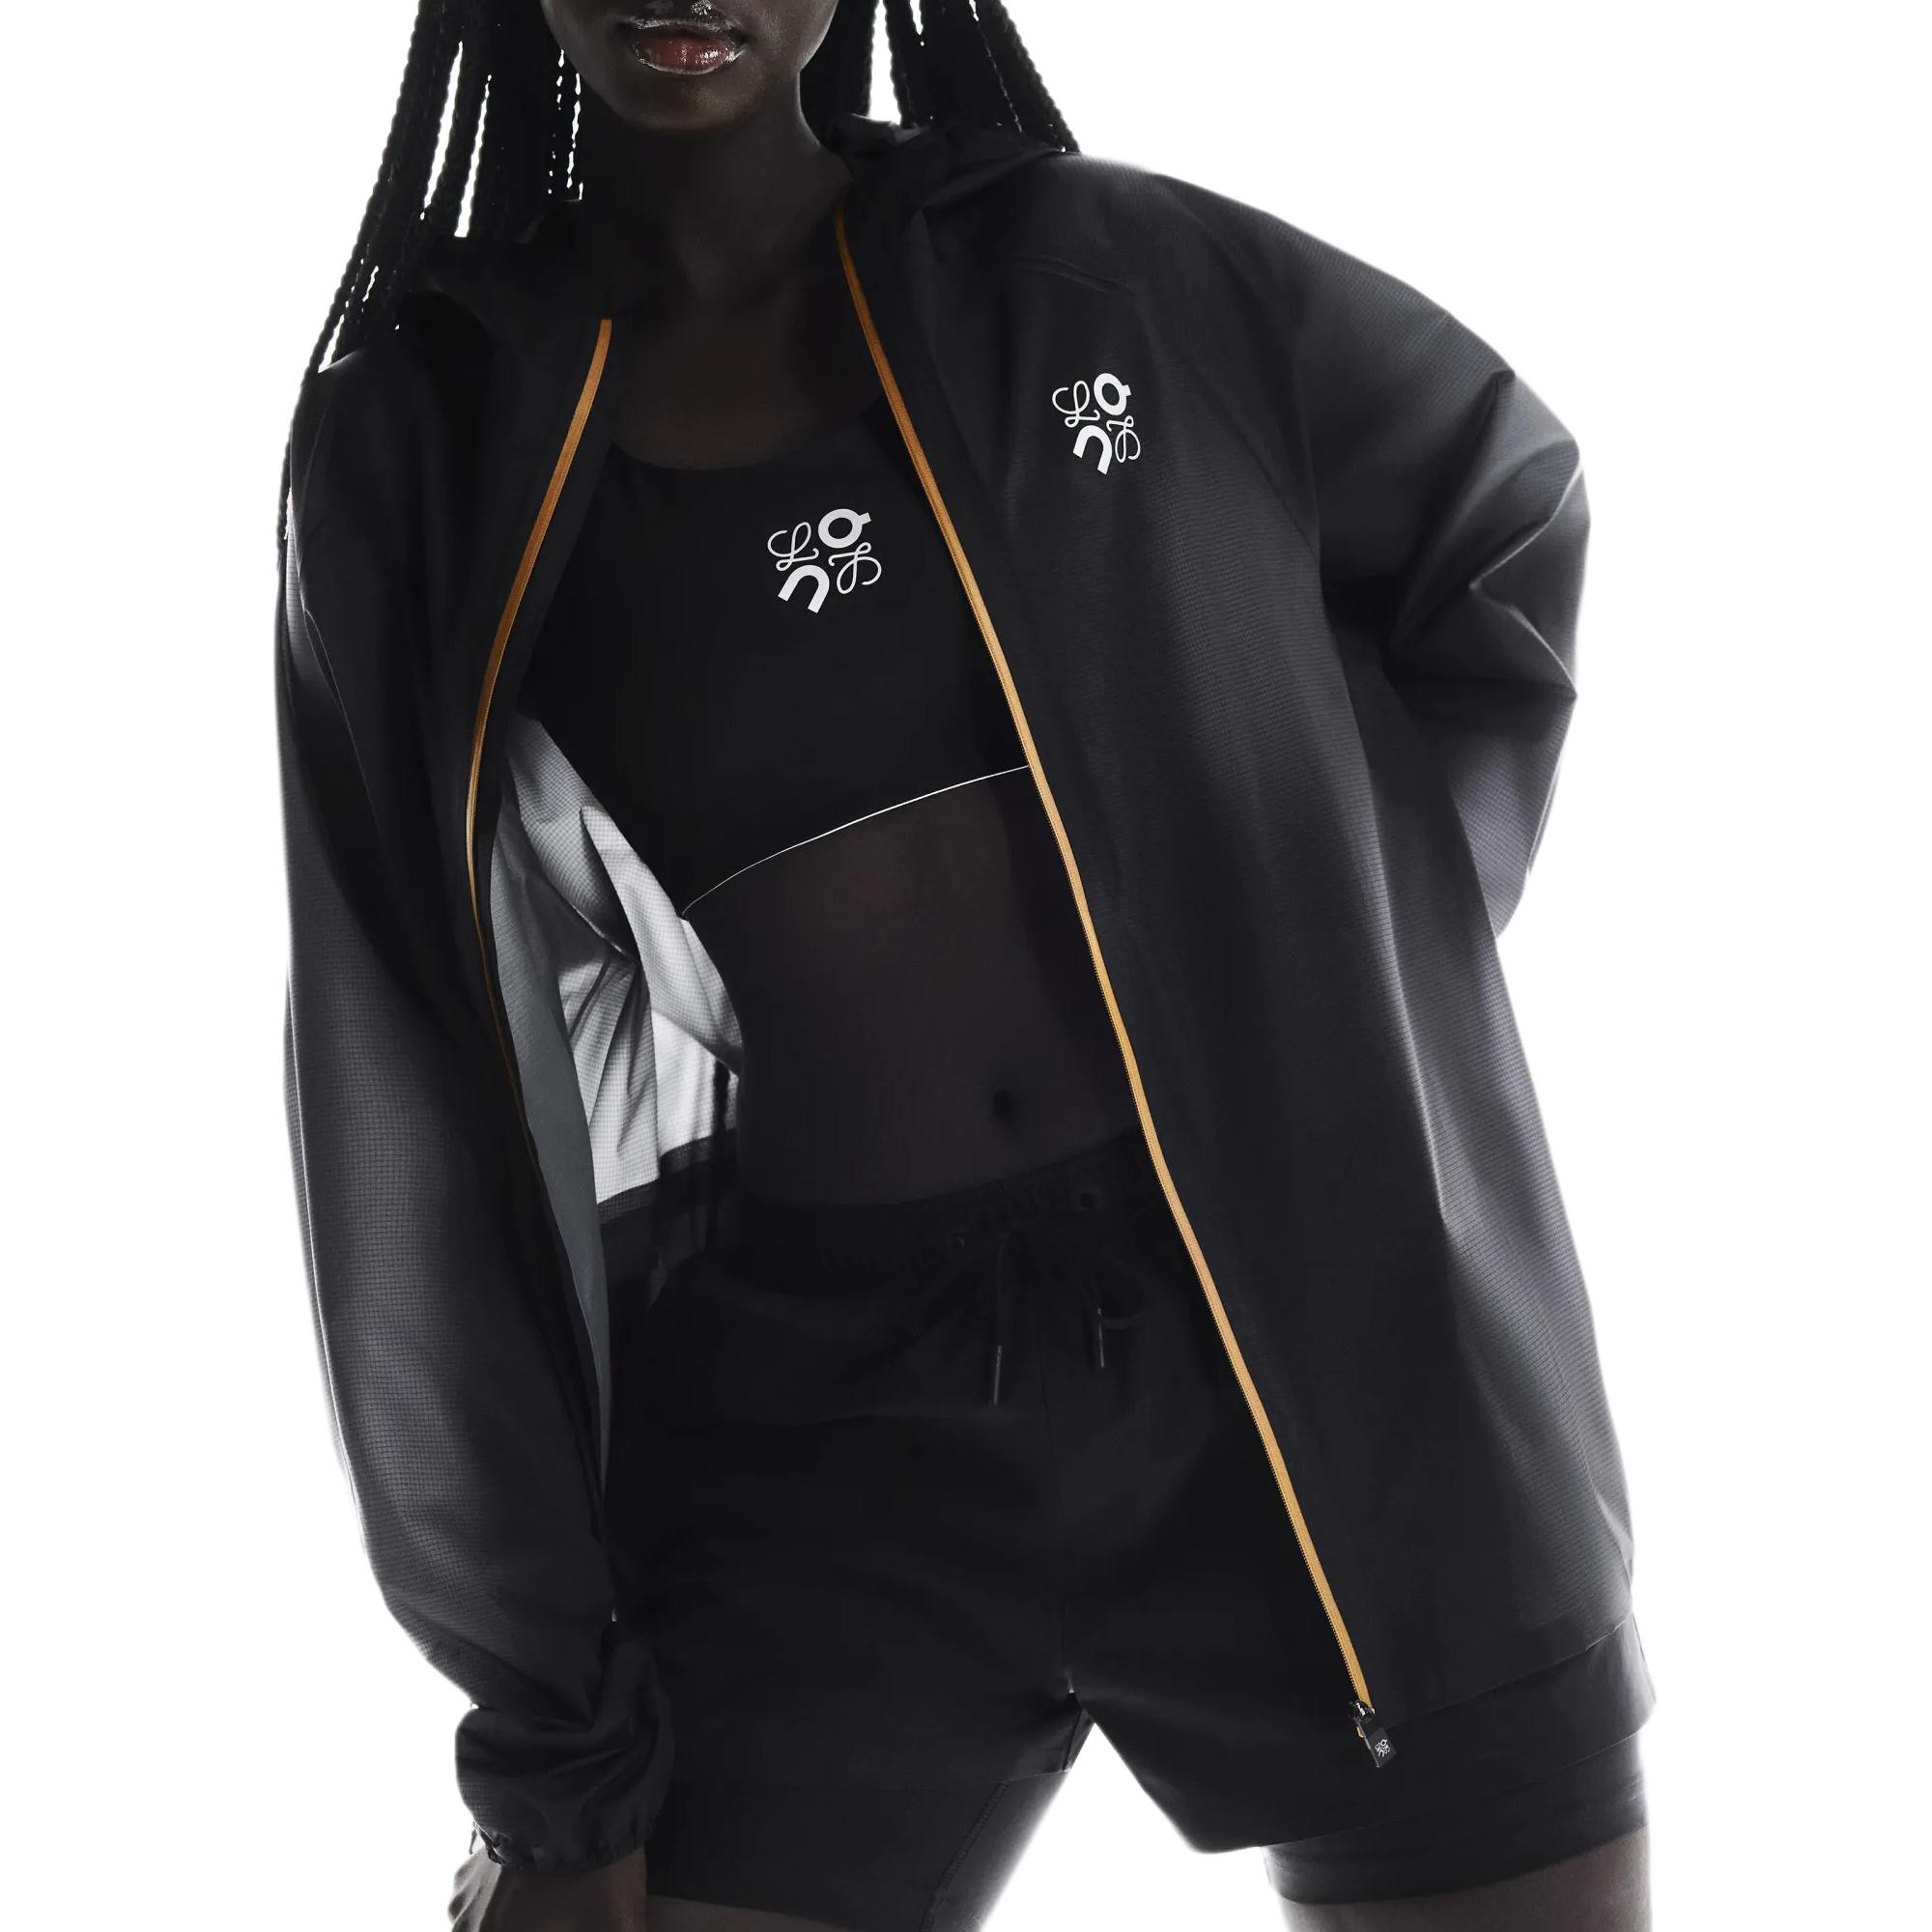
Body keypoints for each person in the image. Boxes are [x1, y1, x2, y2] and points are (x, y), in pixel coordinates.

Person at [272, 2, 1657, 1926]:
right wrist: (548, 1745)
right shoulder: (424, 433)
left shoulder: (1110, 273)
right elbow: (408, 1069)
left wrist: (1342, 970)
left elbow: (1496, 516)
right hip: (814, 1436)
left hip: (1315, 1381)